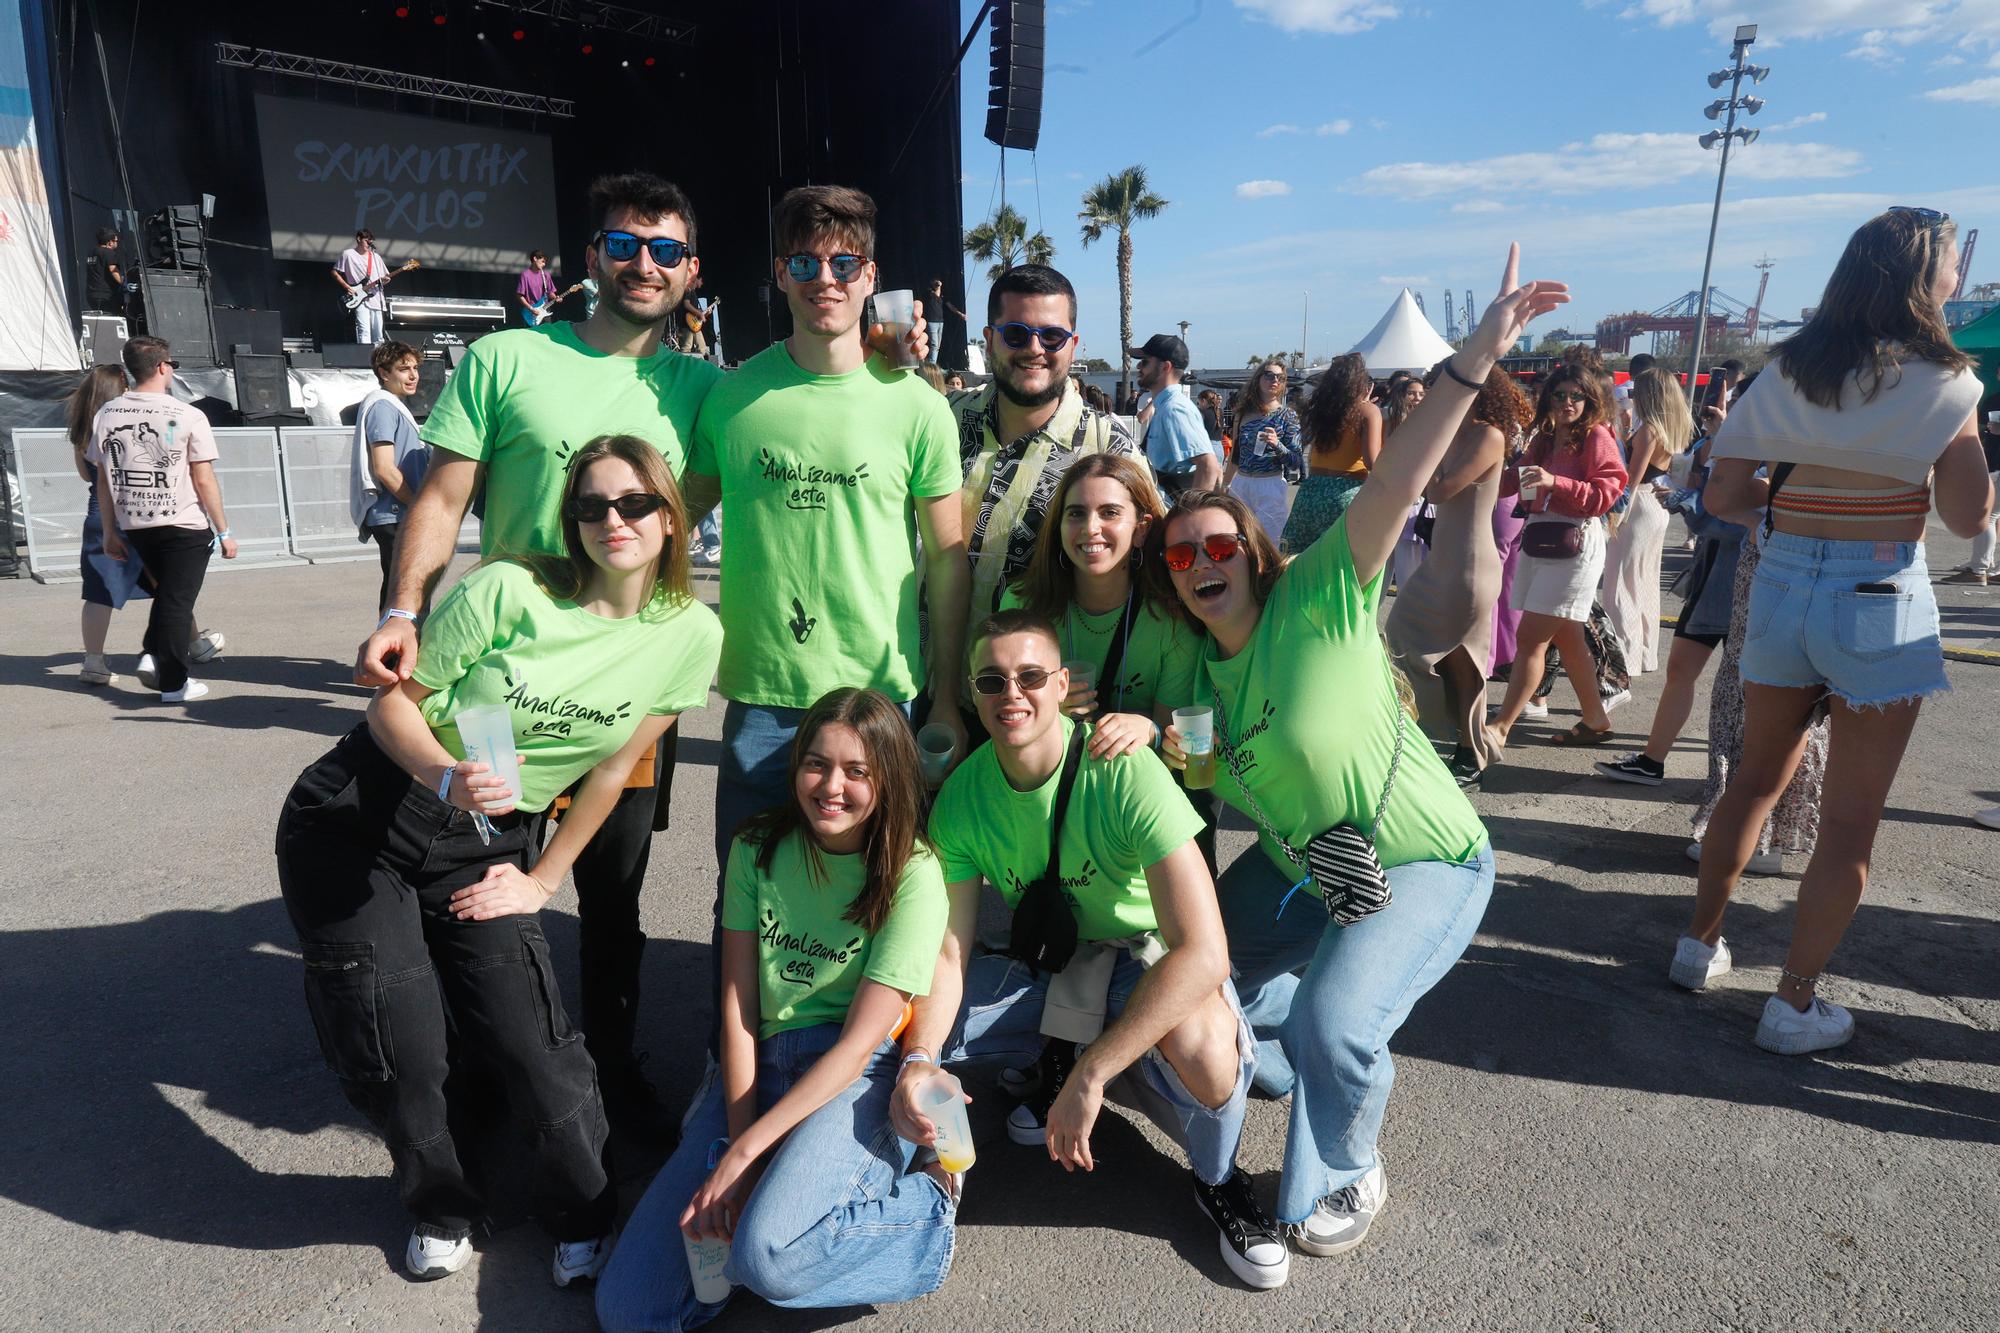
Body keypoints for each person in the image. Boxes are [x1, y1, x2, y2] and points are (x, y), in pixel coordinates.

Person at [1154, 245, 1558, 1260]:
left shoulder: (1319, 594)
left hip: (1421, 852)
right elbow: (1193, 793)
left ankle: (1345, 1165)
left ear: (1250, 554)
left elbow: (1407, 467)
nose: (1202, 563)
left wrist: (1474, 357)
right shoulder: (1197, 683)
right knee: (1207, 974)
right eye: (1180, 555)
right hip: (1315, 858)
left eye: (1217, 546)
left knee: (1335, 1022)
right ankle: (1297, 1053)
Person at [280, 437, 721, 1285]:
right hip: (363, 815)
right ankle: (440, 1204)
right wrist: (445, 774)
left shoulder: (691, 634)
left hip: (486, 840)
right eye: (591, 506)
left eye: (633, 503)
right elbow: (390, 711)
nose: (612, 521)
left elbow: (609, 769)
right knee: (399, 1043)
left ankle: (586, 1210)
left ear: (670, 518)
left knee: (533, 1043)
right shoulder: (508, 589)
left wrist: (545, 877)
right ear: (571, 521)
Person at [354, 171, 723, 1137]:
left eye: (667, 249)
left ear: (692, 269)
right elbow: (437, 500)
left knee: (611, 890)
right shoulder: (506, 358)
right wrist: (403, 606)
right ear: (591, 255)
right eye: (626, 244)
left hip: (626, 675)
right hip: (499, 683)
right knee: (477, 866)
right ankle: (489, 1070)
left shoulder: (703, 392)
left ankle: (610, 1066)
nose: (645, 264)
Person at [1671, 206, 1991, 1054]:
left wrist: (1795, 507)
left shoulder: (1786, 371)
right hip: (1880, 591)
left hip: (1781, 582)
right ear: (1929, 277)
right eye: (1954, 261)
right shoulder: (1948, 385)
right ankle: (1794, 1002)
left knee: (1753, 779)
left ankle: (1697, 945)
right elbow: (1965, 516)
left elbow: (1726, 495)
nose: (1959, 273)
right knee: (1850, 821)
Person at [897, 609, 1285, 1288]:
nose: (1010, 693)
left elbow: (1202, 952)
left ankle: (1219, 1177)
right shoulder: (961, 796)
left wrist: (1093, 1076)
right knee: (903, 1024)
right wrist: (923, 1059)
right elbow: (949, 955)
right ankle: (945, 1164)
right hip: (1053, 965)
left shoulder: (1124, 770)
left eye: (1030, 676)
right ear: (971, 691)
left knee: (1204, 1048)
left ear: (1061, 685)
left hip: (1142, 963)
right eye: (991, 680)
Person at [595, 688, 955, 1330]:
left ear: (890, 778)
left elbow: (856, 1047)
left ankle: (930, 1206)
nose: (831, 786)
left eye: (857, 771)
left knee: (772, 1255)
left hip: (853, 1076)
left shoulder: (913, 873)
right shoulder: (757, 847)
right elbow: (737, 1006)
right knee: (629, 1310)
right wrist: (742, 1141)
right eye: (816, 764)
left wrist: (743, 1158)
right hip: (759, 1064)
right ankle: (767, 1223)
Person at [679, 184, 961, 963]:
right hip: (765, 699)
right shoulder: (734, 398)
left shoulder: (916, 405)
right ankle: (731, 1062)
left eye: (845, 261)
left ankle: (865, 1069)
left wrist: (945, 691)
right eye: (805, 260)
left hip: (881, 695)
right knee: (746, 900)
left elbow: (947, 557)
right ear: (780, 272)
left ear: (872, 276)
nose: (825, 277)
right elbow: (664, 523)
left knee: (879, 895)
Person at [946, 264, 1135, 624]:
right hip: (923, 671)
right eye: (1016, 334)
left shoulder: (1108, 448)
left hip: (1035, 677)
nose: (1035, 349)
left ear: (1073, 346)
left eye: (1052, 337)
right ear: (989, 340)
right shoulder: (944, 420)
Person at [1385, 362, 1532, 784]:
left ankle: (1463, 749)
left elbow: (1439, 489)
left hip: (1468, 566)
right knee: (1438, 653)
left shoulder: (1488, 435)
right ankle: (1459, 745)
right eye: (1433, 389)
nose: (1433, 396)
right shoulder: (1454, 432)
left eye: (1440, 388)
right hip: (1444, 562)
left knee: (1445, 653)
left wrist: (1427, 443)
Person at [1004, 453, 1199, 747]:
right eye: (1076, 513)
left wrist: (1150, 730)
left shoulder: (1173, 621)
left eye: (1109, 512)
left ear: (1141, 529)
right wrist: (1043, 705)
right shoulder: (1022, 604)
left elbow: (1175, 740)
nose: (1090, 528)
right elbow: (996, 703)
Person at [1483, 364, 1628, 751]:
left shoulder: (1596, 436)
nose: (1567, 403)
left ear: (1590, 400)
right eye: (1559, 395)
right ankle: (1595, 718)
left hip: (1575, 541)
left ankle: (1500, 725)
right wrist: (1478, 468)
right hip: (1541, 538)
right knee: (1567, 637)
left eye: (1576, 396)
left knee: (1530, 638)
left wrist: (1554, 482)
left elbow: (1606, 494)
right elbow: (1513, 480)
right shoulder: (1545, 437)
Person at [86, 335, 238, 702]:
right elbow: (203, 478)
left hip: (136, 523)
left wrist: (110, 530)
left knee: (168, 596)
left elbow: (103, 479)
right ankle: (173, 683)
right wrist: (224, 530)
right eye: (170, 364)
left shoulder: (107, 414)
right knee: (177, 602)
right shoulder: (187, 415)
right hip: (184, 524)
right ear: (162, 367)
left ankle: (152, 658)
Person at [1601, 367, 1693, 675]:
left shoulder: (1649, 429)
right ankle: (1642, 654)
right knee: (1644, 582)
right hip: (1655, 506)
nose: (1631, 396)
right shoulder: (1670, 427)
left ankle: (1623, 657)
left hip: (1638, 504)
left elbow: (1630, 478)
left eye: (1636, 391)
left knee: (1620, 585)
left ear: (1648, 395)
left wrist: (1613, 514)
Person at [349, 339, 430, 618]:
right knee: (405, 594)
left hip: (399, 514)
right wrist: (419, 504)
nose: (413, 375)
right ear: (384, 373)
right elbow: (384, 468)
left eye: (415, 368)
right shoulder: (383, 406)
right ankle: (395, 658)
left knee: (405, 592)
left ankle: (397, 656)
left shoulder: (391, 405)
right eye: (403, 368)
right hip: (395, 514)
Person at [1281, 353, 1381, 554]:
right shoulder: (1368, 411)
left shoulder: (1318, 409)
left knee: (1299, 557)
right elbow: (1372, 462)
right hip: (1346, 491)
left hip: (1311, 490)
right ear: (1362, 384)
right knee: (1341, 562)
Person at [1132, 333, 1220, 500]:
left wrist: (1191, 516)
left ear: (1165, 367)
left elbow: (1208, 466)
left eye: (1145, 362)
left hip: (1174, 511)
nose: (1138, 367)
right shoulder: (1166, 406)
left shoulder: (1174, 409)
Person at [1223, 360, 1301, 539]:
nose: (1275, 380)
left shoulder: (1288, 415)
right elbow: (1236, 454)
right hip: (1240, 484)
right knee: (1238, 539)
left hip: (1270, 485)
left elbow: (1296, 461)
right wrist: (1225, 485)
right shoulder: (1242, 413)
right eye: (1269, 375)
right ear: (1258, 379)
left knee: (1269, 542)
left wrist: (1277, 444)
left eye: (1280, 377)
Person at [332, 230, 389, 345]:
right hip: (360, 298)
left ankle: (379, 360)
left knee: (378, 334)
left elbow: (385, 277)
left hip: (376, 298)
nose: (369, 242)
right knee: (364, 331)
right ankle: (365, 359)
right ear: (359, 239)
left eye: (371, 240)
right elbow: (334, 272)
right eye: (366, 239)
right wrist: (347, 286)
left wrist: (385, 280)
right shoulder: (348, 254)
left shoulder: (375, 257)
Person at [84, 227, 125, 316]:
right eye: (116, 241)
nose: (117, 243)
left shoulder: (92, 252)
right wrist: (124, 283)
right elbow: (113, 270)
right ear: (109, 242)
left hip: (91, 295)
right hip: (106, 296)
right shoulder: (109, 253)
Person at [928, 277, 968, 366]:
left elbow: (951, 307)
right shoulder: (929, 293)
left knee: (937, 346)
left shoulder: (943, 296)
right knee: (934, 345)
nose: (937, 283)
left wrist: (961, 314)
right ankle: (932, 365)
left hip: (940, 322)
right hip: (931, 321)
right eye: (936, 282)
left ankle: (933, 364)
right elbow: (935, 294)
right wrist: (937, 286)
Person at [517, 249, 558, 326]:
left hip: (545, 311)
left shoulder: (546, 275)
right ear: (535, 259)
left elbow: (550, 292)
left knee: (547, 334)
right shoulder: (525, 275)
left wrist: (556, 297)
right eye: (543, 261)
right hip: (531, 312)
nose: (544, 264)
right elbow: (520, 295)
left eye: (545, 262)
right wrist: (531, 309)